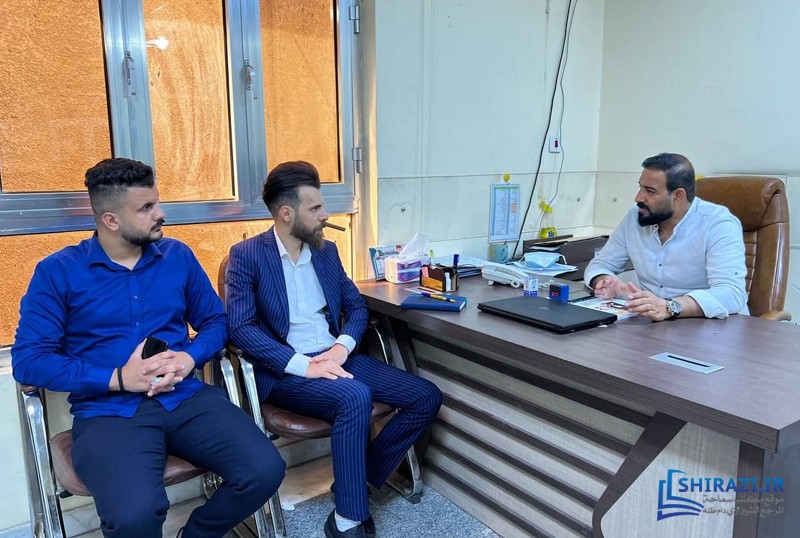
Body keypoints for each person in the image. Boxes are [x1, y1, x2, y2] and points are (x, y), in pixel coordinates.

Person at [12, 158, 285, 538]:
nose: (160, 214)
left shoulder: (178, 257)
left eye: (157, 202)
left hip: (184, 397)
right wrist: (118, 378)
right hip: (109, 413)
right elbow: (28, 361)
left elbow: (215, 321)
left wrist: (188, 357)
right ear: (111, 220)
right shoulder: (57, 272)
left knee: (265, 469)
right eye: (146, 208)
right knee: (134, 517)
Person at [226, 161, 443, 538]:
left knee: (426, 396)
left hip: (335, 356)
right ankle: (347, 519)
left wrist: (342, 347)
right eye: (315, 208)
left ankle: (354, 483)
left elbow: (356, 306)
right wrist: (302, 365)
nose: (325, 215)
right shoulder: (247, 255)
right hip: (287, 370)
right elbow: (241, 328)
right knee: (355, 396)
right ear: (286, 213)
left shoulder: (326, 251)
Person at [584, 152, 748, 321]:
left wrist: (670, 306)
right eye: (640, 187)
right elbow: (600, 264)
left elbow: (732, 293)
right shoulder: (635, 216)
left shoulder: (718, 224)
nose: (638, 197)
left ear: (678, 196)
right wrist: (604, 280)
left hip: (715, 327)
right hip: (656, 325)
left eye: (650, 191)